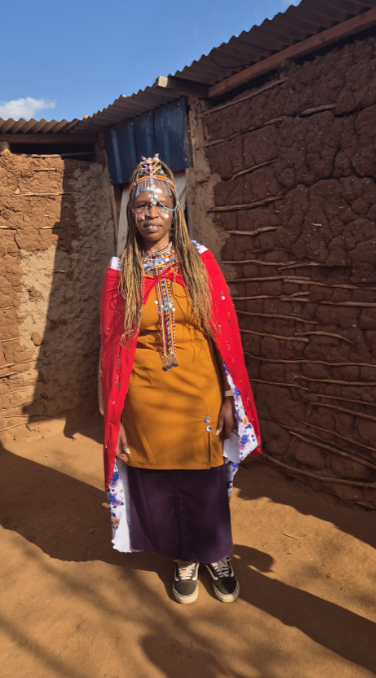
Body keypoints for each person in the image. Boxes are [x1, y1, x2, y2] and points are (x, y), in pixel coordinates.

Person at [100, 154, 261, 604]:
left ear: (175, 212)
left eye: (160, 203)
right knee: (160, 484)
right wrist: (119, 421)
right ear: (131, 213)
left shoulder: (199, 263)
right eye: (141, 204)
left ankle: (215, 553)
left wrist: (229, 396)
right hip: (144, 401)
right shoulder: (119, 273)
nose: (151, 212)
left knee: (204, 481)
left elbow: (224, 337)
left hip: (200, 396)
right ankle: (183, 556)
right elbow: (110, 354)